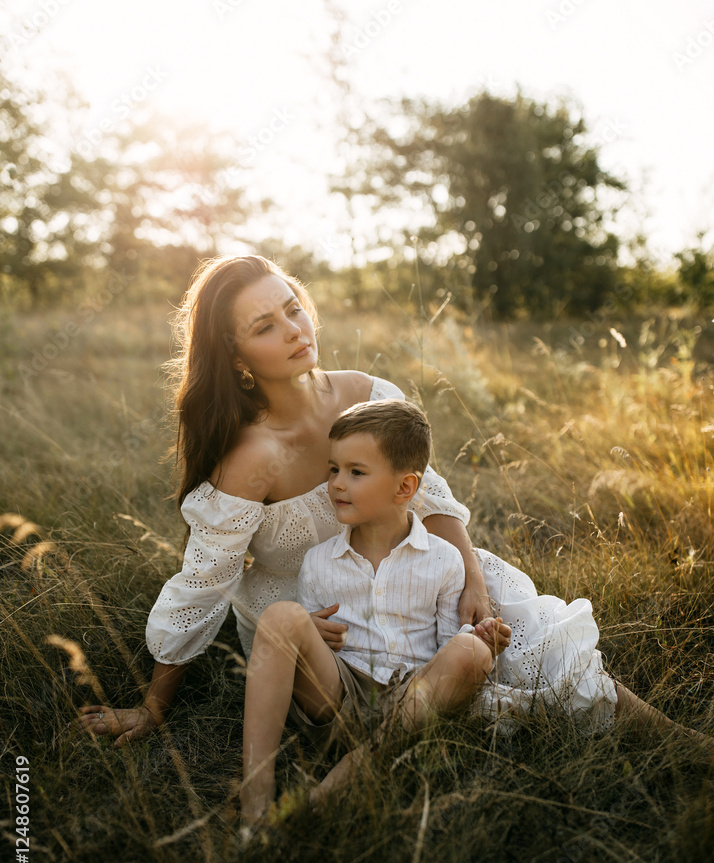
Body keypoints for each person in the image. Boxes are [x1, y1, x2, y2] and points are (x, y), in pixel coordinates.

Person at [75, 254, 711, 766]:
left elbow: (427, 494)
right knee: (469, 699)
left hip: (415, 562)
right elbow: (202, 586)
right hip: (319, 622)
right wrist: (153, 708)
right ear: (236, 358)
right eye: (265, 326)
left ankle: (687, 749)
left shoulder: (367, 395)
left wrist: (472, 573)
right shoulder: (250, 458)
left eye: (293, 308)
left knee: (531, 639)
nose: (294, 329)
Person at [239, 398, 512, 824]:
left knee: (472, 653)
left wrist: (481, 641)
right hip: (342, 698)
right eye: (333, 469)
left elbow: (446, 650)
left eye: (356, 472)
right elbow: (317, 646)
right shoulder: (319, 561)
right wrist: (302, 630)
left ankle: (357, 770)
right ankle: (255, 798)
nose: (336, 484)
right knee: (280, 615)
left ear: (404, 487)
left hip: (413, 700)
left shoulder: (442, 559)